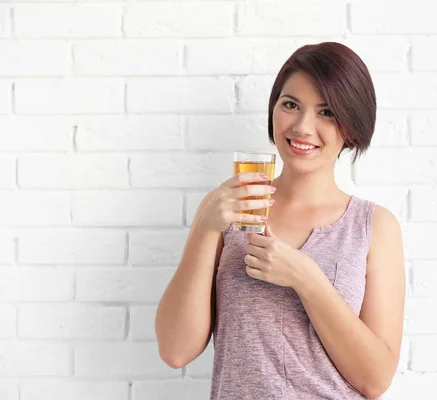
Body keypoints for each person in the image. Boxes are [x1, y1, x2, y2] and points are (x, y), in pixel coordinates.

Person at [155, 42, 406, 400]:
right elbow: (175, 350)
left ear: (352, 126)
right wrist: (205, 227)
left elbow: (375, 379)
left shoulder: (373, 226)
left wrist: (307, 280)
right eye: (291, 105)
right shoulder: (228, 208)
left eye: (327, 112)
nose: (303, 127)